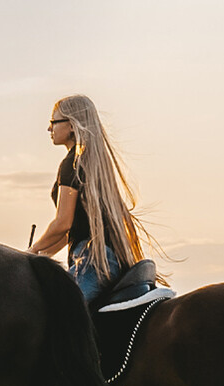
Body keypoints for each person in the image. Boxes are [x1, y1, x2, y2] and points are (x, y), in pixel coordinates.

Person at [26, 95, 164, 306]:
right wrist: (44, 256)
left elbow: (62, 223)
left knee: (61, 317)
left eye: (53, 122)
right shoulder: (93, 165)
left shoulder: (71, 164)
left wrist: (32, 251)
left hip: (91, 261)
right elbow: (72, 229)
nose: (49, 128)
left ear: (71, 125)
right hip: (108, 259)